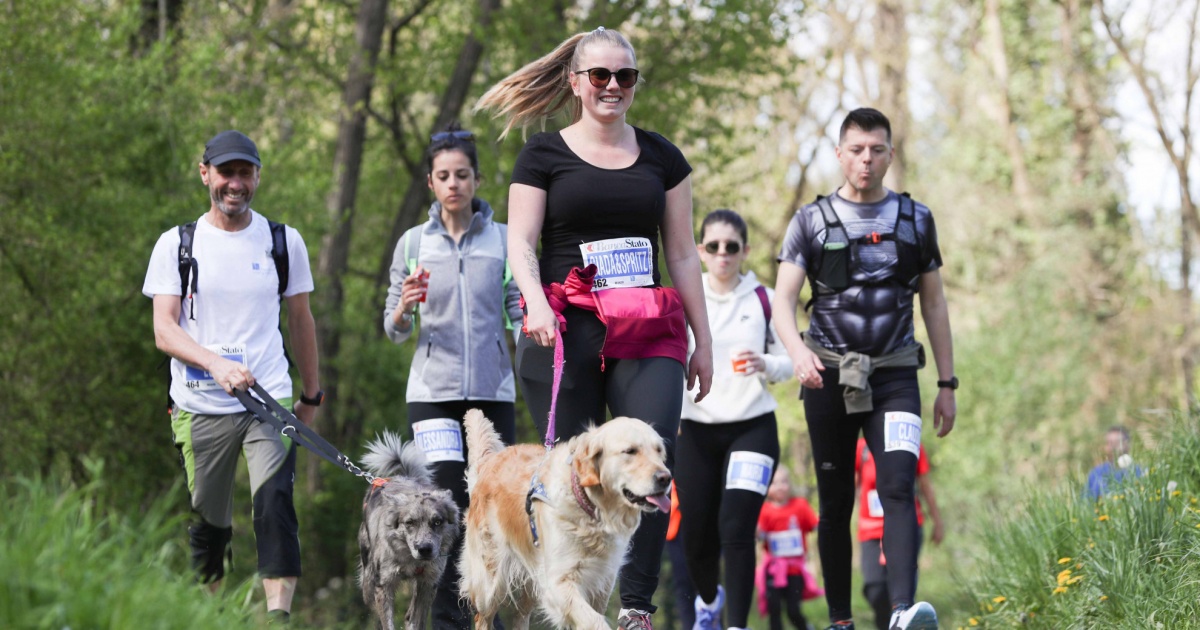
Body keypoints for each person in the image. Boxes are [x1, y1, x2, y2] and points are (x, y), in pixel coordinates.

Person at [475, 26, 714, 630]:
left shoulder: (663, 157)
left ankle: (634, 611)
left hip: (648, 330)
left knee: (652, 460)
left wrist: (703, 340)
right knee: (577, 472)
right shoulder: (543, 155)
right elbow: (520, 242)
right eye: (601, 76)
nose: (613, 86)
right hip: (564, 329)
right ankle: (567, 594)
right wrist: (531, 301)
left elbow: (682, 253)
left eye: (625, 76)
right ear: (577, 83)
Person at [772, 107, 957, 630]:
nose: (866, 160)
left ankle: (901, 611)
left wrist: (946, 383)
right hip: (827, 373)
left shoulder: (916, 219)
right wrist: (798, 353)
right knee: (835, 502)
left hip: (896, 372)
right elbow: (782, 301)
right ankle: (839, 619)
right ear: (840, 154)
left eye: (877, 150)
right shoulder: (811, 219)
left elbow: (935, 305)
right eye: (856, 149)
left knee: (897, 486)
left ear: (890, 155)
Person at [143, 130, 321, 622]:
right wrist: (214, 364)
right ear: (206, 175)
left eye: (245, 173)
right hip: (201, 404)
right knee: (208, 522)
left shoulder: (283, 240)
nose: (235, 184)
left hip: (268, 399)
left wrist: (312, 394)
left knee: (275, 503)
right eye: (226, 173)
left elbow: (302, 320)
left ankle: (278, 617)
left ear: (258, 176)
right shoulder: (177, 244)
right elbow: (164, 330)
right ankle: (212, 614)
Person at [382, 124, 522, 629]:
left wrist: (535, 323)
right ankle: (447, 620)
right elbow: (393, 329)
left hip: (491, 393)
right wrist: (404, 307)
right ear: (431, 183)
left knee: (491, 509)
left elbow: (516, 310)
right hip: (432, 395)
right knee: (446, 504)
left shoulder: (504, 239)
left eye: (463, 174)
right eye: (444, 175)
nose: (454, 183)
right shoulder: (414, 243)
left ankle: (490, 614)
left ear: (477, 179)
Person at [675, 209, 792, 630]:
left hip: (753, 426)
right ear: (701, 251)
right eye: (713, 246)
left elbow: (792, 360)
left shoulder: (766, 298)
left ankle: (738, 625)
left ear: (745, 250)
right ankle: (710, 602)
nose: (723, 254)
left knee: (736, 527)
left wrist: (766, 363)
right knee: (697, 537)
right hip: (696, 429)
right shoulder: (686, 296)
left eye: (732, 246)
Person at [855, 438, 944, 630]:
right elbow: (850, 485)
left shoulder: (910, 440)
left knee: (901, 590)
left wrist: (937, 521)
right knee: (875, 590)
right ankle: (887, 623)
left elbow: (925, 485)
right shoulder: (861, 448)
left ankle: (902, 624)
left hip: (906, 527)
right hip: (870, 530)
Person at [756, 466, 820, 630]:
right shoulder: (764, 511)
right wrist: (756, 531)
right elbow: (760, 536)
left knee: (793, 610)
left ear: (790, 484)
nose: (779, 486)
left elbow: (815, 526)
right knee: (774, 609)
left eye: (783, 482)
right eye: (775, 482)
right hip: (774, 570)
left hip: (794, 571)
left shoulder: (800, 506)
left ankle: (806, 627)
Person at [1085, 425, 1140, 499]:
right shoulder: (1096, 474)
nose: (1112, 447)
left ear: (1128, 445)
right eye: (1109, 443)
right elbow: (1085, 502)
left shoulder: (1140, 473)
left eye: (1117, 443)